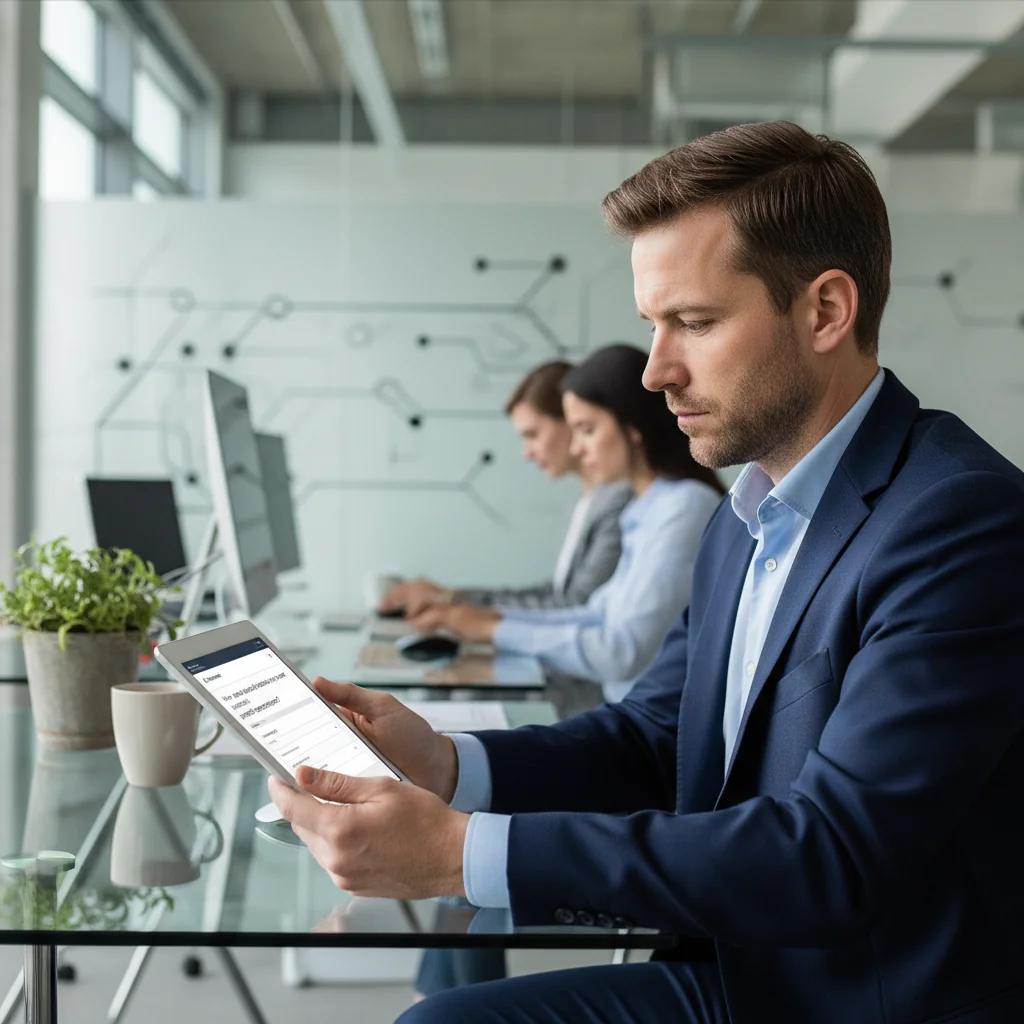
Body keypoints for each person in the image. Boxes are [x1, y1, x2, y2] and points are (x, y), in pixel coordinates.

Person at [269, 121, 1024, 1024]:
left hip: (857, 997)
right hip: (736, 971)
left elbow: (830, 855)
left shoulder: (960, 520)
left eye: (694, 323)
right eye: (652, 326)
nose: (657, 371)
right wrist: (447, 764)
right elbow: (656, 737)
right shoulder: (744, 518)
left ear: (826, 311)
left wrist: (462, 853)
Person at [408, 343, 725, 705]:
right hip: (623, 711)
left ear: (632, 427)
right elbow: (594, 615)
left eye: (587, 430)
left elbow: (619, 651)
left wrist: (491, 628)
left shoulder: (684, 507)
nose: (577, 448)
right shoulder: (647, 508)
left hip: (641, 720)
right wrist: (487, 620)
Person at [381, 361, 632, 618]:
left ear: (572, 419)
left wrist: (459, 609)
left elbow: (575, 605)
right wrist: (451, 597)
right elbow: (555, 593)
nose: (527, 453)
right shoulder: (586, 501)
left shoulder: (619, 502)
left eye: (532, 435)